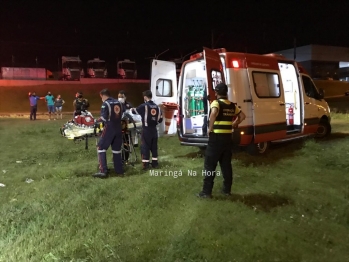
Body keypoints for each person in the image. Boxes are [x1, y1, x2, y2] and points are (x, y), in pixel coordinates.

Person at [197, 83, 246, 198]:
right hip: (228, 139)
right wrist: (234, 124)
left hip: (216, 139)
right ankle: (226, 190)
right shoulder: (232, 105)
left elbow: (213, 113)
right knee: (226, 166)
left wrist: (210, 128)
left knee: (209, 166)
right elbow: (242, 116)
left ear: (216, 92)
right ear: (226, 92)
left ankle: (206, 192)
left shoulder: (216, 103)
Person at [93, 89, 124, 178]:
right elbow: (122, 114)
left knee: (101, 147)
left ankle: (103, 171)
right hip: (118, 128)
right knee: (116, 150)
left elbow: (103, 118)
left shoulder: (105, 104)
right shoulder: (119, 103)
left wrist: (95, 121)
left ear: (101, 95)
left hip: (110, 128)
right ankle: (119, 171)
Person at [131, 90, 163, 170]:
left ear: (145, 97)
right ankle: (155, 163)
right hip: (154, 130)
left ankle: (145, 165)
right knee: (154, 147)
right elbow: (160, 120)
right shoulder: (157, 107)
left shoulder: (144, 106)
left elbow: (134, 111)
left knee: (145, 147)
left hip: (146, 130)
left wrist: (131, 109)